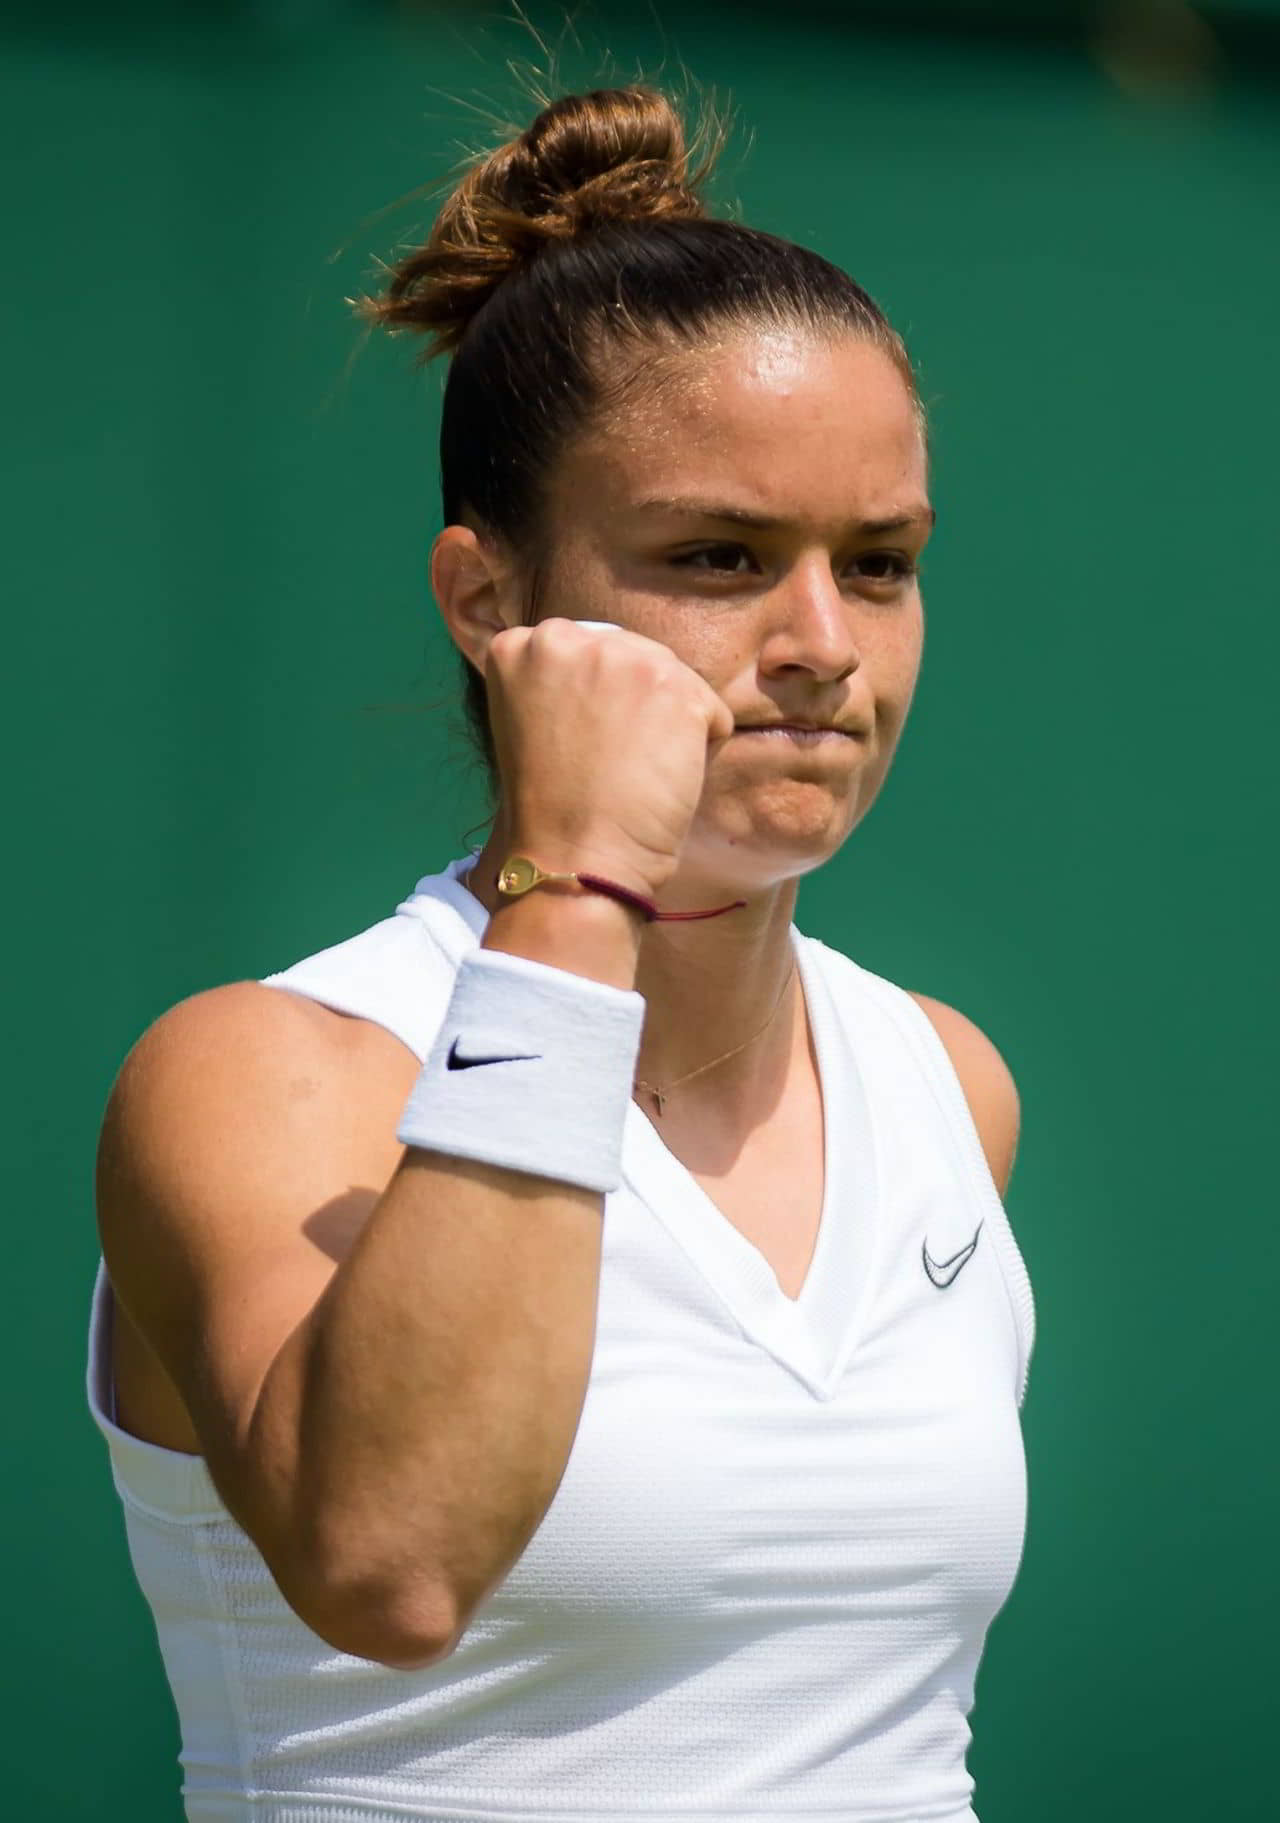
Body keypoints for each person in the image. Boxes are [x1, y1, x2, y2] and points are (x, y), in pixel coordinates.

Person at [88, 83, 1036, 1823]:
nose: (823, 642)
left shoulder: (945, 1085)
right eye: (718, 555)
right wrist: (576, 879)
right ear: (488, 598)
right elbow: (391, 1564)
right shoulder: (261, 1076)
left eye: (879, 563)